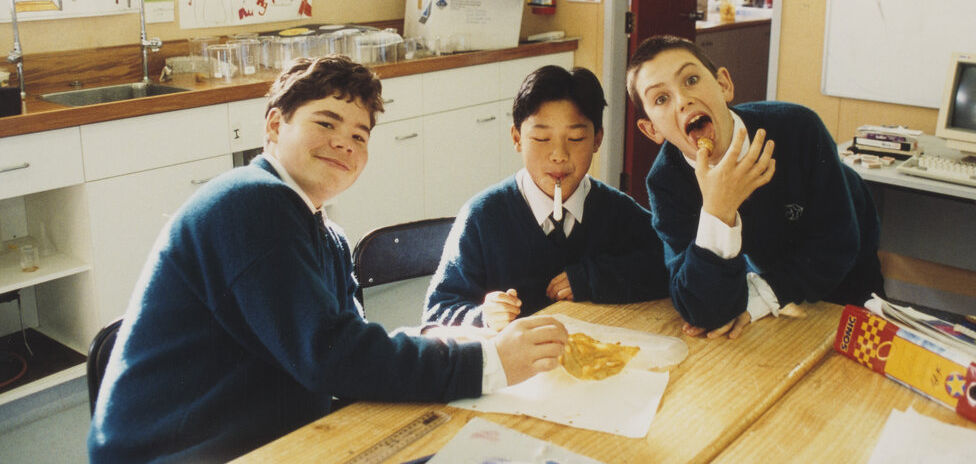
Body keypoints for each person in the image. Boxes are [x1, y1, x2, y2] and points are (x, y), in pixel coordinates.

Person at [88, 55, 568, 463]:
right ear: (275, 125)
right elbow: (332, 356)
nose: (345, 143)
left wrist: (444, 338)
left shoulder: (326, 235)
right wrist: (488, 362)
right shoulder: (251, 201)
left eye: (360, 136)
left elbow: (343, 345)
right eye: (325, 123)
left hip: (271, 433)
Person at [626, 35, 884, 339]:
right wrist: (717, 211)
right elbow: (699, 307)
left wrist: (760, 296)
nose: (683, 100)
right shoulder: (666, 182)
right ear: (651, 129)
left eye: (691, 80)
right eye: (661, 99)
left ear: (724, 84)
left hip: (843, 277)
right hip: (763, 286)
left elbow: (837, 245)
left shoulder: (799, 128)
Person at [423, 65, 670, 331]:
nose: (559, 155)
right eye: (541, 138)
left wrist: (594, 278)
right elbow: (437, 314)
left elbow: (671, 262)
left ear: (597, 140)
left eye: (575, 138)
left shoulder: (616, 210)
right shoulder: (483, 216)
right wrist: (483, 317)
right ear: (517, 138)